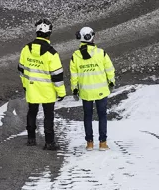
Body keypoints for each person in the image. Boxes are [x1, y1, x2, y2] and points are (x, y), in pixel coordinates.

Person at [18, 18, 66, 150]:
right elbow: (57, 76)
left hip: (32, 88)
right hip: (47, 91)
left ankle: (31, 139)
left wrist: (26, 85)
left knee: (32, 112)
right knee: (48, 115)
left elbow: (21, 69)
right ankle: (49, 142)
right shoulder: (52, 53)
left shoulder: (26, 49)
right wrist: (61, 93)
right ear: (49, 33)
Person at [70, 27, 115, 151]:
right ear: (90, 37)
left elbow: (74, 75)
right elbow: (110, 69)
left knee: (87, 116)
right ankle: (103, 143)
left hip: (85, 92)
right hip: (101, 91)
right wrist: (111, 82)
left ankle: (89, 144)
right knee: (102, 116)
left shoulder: (76, 56)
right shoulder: (101, 53)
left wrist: (75, 89)